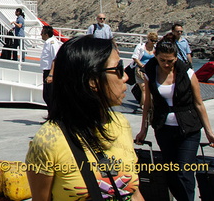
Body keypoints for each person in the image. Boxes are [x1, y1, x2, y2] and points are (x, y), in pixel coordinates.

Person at [26, 35, 143, 201]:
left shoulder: (121, 124)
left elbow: (134, 193)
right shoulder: (48, 141)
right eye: (118, 69)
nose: (125, 77)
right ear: (92, 81)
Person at [135, 38, 214, 201]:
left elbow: (198, 103)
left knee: (184, 170)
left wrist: (209, 132)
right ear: (155, 55)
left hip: (188, 129)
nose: (166, 65)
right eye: (162, 60)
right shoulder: (150, 71)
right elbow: (148, 103)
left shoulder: (187, 72)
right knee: (170, 172)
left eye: (170, 61)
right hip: (163, 128)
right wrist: (143, 130)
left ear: (176, 58)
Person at [130, 31, 158, 110]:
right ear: (148, 39)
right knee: (144, 88)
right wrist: (142, 65)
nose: (153, 42)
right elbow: (135, 57)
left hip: (151, 71)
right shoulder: (141, 47)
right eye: (152, 40)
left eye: (155, 41)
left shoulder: (155, 49)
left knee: (149, 89)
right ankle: (144, 107)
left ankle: (143, 105)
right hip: (140, 70)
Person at [39, 25, 61, 107]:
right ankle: (50, 116)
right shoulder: (48, 42)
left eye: (42, 33)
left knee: (50, 96)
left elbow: (55, 58)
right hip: (46, 71)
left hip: (50, 71)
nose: (41, 35)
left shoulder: (52, 43)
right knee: (46, 95)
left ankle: (54, 117)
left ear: (46, 34)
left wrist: (51, 75)